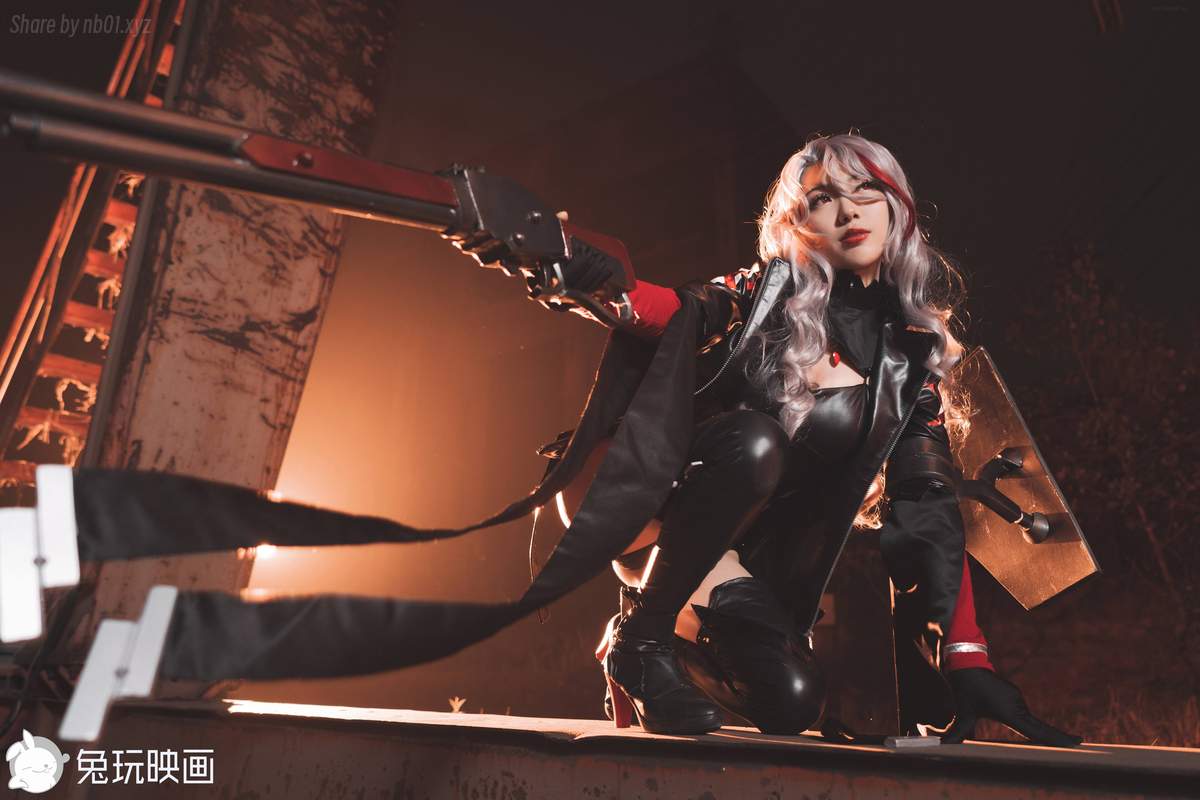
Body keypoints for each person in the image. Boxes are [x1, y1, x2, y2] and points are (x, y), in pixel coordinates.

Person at [547, 133, 1081, 745]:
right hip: (646, 499)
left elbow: (928, 511)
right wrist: (594, 283)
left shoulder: (909, 364)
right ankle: (642, 640)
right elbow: (677, 311)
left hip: (740, 556)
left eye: (867, 190)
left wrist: (965, 658)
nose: (849, 211)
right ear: (797, 225)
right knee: (756, 442)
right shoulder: (766, 291)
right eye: (824, 198)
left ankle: (644, 631)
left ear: (897, 206)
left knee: (793, 703)